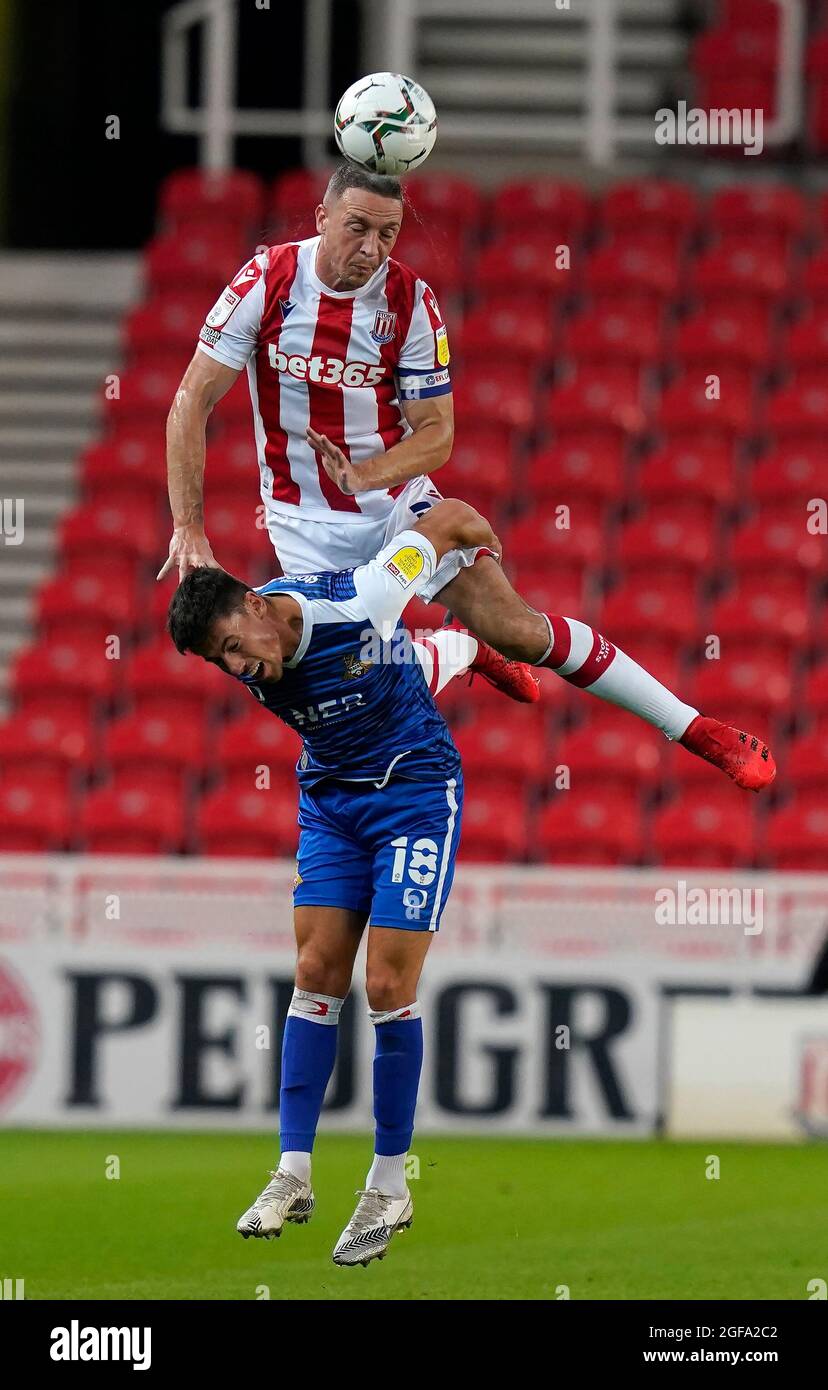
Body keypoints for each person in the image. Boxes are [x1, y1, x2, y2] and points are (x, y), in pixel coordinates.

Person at [166, 498, 776, 1268]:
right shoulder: (268, 650)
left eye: (231, 647)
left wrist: (484, 546)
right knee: (316, 973)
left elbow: (448, 516)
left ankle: (389, 1185)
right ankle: (293, 1171)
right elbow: (361, 676)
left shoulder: (367, 597)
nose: (236, 668)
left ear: (255, 605)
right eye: (220, 660)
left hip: (414, 792)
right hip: (330, 797)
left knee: (387, 984)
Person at [158, 159, 542, 698]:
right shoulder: (265, 280)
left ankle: (679, 720)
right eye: (357, 228)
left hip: (394, 505)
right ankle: (461, 649)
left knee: (521, 635)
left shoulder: (411, 302)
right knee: (348, 688)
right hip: (302, 525)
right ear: (321, 218)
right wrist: (189, 528)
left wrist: (364, 476)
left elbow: (438, 434)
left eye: (388, 233)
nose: (371, 248)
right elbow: (190, 402)